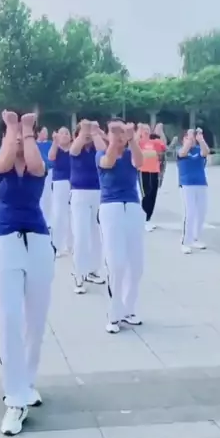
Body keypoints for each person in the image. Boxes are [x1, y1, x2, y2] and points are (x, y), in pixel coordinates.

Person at [0, 110, 55, 437]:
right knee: (8, 318)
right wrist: (13, 127)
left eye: (24, 136)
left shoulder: (36, 164)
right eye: (11, 135)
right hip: (4, 241)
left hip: (38, 241)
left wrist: (26, 129)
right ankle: (14, 398)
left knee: (35, 321)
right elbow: (2, 163)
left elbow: (37, 166)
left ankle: (26, 382)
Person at [96, 120, 145, 334]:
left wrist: (131, 138)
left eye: (121, 132)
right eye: (113, 132)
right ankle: (113, 314)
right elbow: (108, 162)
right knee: (116, 264)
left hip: (132, 207)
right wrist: (114, 140)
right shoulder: (101, 154)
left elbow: (140, 162)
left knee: (136, 265)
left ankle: (129, 309)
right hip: (111, 208)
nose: (118, 136)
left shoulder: (130, 153)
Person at [69, 120, 107, 294]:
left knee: (96, 234)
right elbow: (74, 149)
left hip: (98, 192)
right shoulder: (75, 147)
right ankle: (79, 273)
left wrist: (95, 132)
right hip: (79, 193)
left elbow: (103, 150)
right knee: (81, 234)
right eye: (83, 132)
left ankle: (93, 269)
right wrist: (84, 131)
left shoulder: (96, 148)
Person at [177, 128, 210, 254]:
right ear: (183, 139)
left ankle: (195, 238)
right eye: (187, 137)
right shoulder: (180, 150)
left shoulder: (198, 149)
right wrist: (190, 139)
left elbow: (206, 152)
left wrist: (201, 139)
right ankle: (185, 241)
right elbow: (183, 152)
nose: (191, 139)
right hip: (187, 185)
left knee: (201, 212)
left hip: (201, 184)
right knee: (189, 213)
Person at [136, 123, 166, 231]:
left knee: (153, 195)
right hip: (143, 171)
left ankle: (148, 219)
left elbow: (164, 146)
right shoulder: (139, 142)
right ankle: (142, 219)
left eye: (148, 129)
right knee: (145, 194)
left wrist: (160, 131)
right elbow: (133, 144)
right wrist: (138, 130)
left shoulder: (154, 142)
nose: (146, 131)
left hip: (154, 171)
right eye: (144, 129)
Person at [48, 127, 72, 255]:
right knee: (59, 214)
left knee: (72, 214)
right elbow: (51, 157)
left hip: (74, 182)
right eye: (62, 133)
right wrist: (55, 142)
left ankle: (70, 244)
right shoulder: (56, 148)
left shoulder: (74, 148)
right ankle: (57, 245)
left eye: (67, 133)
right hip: (60, 182)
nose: (64, 135)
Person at [36, 126, 53, 227]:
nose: (46, 134)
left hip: (50, 171)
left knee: (49, 197)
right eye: (44, 132)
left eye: (46, 132)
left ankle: (49, 220)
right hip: (39, 172)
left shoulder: (50, 144)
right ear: (38, 133)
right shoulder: (34, 145)